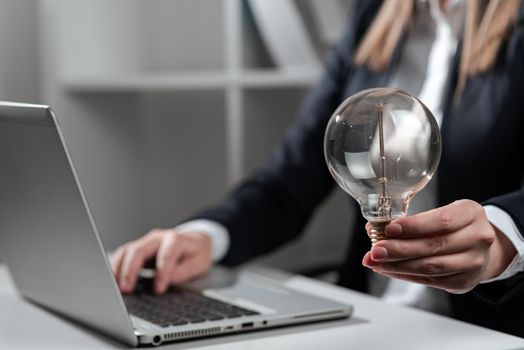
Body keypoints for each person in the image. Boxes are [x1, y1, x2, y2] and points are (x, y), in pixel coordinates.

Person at [111, 0, 524, 337]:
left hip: (483, 331)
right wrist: (203, 237)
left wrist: (502, 236)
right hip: (373, 323)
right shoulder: (373, 15)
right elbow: (291, 178)